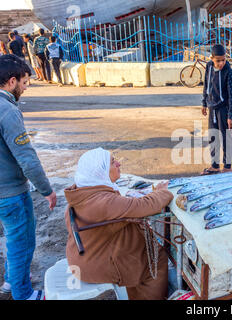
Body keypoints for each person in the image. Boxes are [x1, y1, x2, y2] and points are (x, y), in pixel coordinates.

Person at [64, 148, 173, 300]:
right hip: (93, 264)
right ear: (100, 170)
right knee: (155, 257)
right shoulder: (103, 201)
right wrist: (162, 191)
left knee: (140, 248)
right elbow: (146, 206)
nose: (118, 163)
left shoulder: (83, 192)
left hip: (83, 256)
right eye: (112, 162)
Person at [0, 55, 57, 300]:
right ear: (12, 81)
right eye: (24, 83)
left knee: (15, 242)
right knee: (21, 243)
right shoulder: (7, 110)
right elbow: (27, 158)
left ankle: (12, 282)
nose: (26, 88)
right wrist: (47, 190)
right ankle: (24, 294)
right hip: (11, 192)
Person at [201, 44, 232, 174]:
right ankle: (215, 165)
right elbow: (206, 84)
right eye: (218, 61)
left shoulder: (229, 71)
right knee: (213, 137)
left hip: (224, 109)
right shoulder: (209, 66)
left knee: (226, 137)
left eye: (223, 60)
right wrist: (204, 102)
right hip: (212, 107)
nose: (221, 63)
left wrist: (230, 114)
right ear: (211, 58)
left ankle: (227, 167)